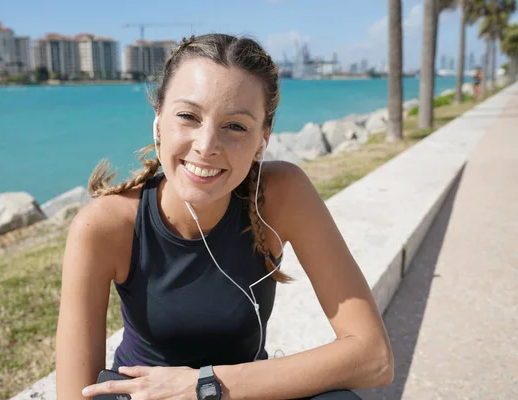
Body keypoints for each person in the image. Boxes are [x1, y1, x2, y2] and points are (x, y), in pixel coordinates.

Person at [56, 33, 393, 400]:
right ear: (158, 121)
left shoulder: (282, 195)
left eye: (235, 126)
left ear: (262, 138)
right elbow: (75, 392)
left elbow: (373, 356)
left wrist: (205, 384)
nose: (206, 146)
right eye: (188, 116)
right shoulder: (104, 226)